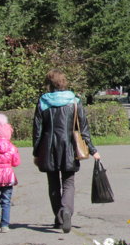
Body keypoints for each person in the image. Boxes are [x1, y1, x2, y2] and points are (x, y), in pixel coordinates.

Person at [33, 70, 101, 233]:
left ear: (49, 84)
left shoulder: (43, 102)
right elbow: (83, 128)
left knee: (53, 184)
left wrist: (36, 152)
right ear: (64, 82)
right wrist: (93, 150)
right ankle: (66, 211)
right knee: (69, 183)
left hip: (48, 147)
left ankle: (59, 218)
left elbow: (37, 130)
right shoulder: (75, 101)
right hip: (70, 146)